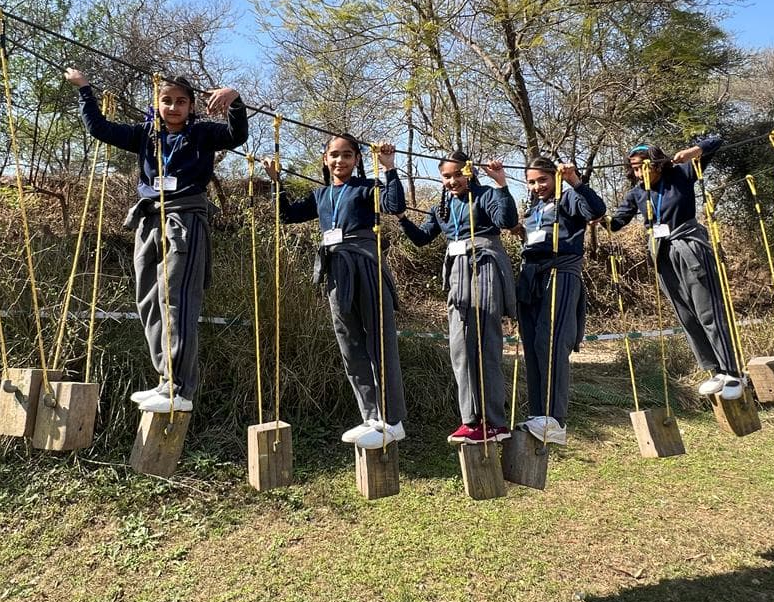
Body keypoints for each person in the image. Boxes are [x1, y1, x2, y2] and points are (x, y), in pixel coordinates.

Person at [64, 67, 248, 413]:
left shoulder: (204, 134)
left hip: (185, 220)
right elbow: (99, 128)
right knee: (149, 300)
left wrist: (235, 101)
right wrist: (84, 90)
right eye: (166, 101)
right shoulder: (145, 134)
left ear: (192, 106)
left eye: (181, 102)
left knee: (176, 301)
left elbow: (236, 135)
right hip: (149, 218)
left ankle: (180, 389)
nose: (173, 107)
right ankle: (165, 381)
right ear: (157, 103)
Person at [263, 134, 406, 450]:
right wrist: (277, 182)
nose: (340, 161)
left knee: (379, 339)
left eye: (347, 155)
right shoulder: (321, 195)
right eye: (334, 155)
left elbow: (396, 205)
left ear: (356, 160)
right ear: (325, 159)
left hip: (365, 262)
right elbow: (286, 215)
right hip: (335, 268)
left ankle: (392, 421)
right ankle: (371, 416)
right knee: (349, 341)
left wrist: (389, 168)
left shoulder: (367, 189)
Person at [602, 138, 743, 400]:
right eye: (633, 168)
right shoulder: (637, 194)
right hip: (662, 254)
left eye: (644, 166)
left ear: (658, 164)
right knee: (686, 316)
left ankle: (733, 372)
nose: (639, 172)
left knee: (708, 310)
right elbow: (615, 223)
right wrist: (595, 213)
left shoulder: (682, 175)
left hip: (690, 247)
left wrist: (692, 152)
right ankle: (714, 370)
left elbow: (717, 141)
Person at [396, 152, 518, 445]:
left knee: (486, 343)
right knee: (460, 347)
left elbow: (506, 220)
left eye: (457, 174)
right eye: (446, 176)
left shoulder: (485, 195)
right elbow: (423, 237)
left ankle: (495, 422)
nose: (452, 181)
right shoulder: (442, 205)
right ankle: (470, 420)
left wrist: (501, 184)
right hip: (457, 273)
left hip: (484, 264)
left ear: (469, 172)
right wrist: (401, 217)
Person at [516, 157, 607, 445]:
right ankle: (537, 413)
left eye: (542, 179)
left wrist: (575, 181)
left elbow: (596, 210)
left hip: (562, 272)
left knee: (550, 342)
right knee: (531, 344)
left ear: (554, 177)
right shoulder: (532, 210)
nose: (537, 186)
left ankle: (555, 417)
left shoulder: (569, 199)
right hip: (531, 277)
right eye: (531, 181)